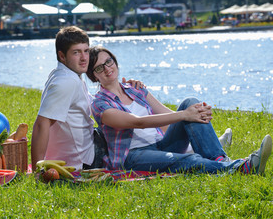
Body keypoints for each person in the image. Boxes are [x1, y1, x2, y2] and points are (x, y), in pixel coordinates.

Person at [86, 46, 272, 175]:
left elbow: (164, 112)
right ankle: (241, 168)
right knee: (187, 161)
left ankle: (220, 159)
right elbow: (137, 122)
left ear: (115, 61)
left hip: (162, 143)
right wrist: (185, 115)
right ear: (94, 76)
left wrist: (194, 113)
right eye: (99, 68)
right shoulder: (100, 104)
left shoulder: (135, 88)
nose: (107, 69)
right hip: (133, 156)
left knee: (189, 101)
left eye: (109, 62)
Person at [31, 26, 143, 171]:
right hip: (86, 159)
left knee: (133, 128)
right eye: (76, 52)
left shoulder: (67, 74)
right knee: (135, 139)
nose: (84, 58)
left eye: (86, 51)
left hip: (90, 143)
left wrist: (125, 90)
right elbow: (41, 124)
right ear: (62, 56)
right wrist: (37, 171)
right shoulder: (66, 82)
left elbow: (91, 102)